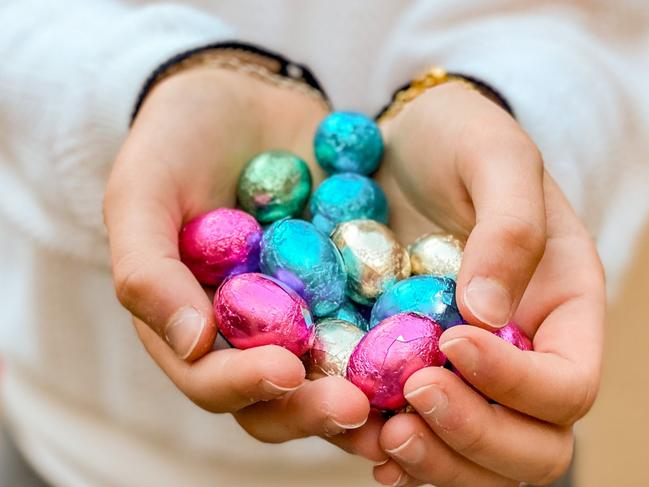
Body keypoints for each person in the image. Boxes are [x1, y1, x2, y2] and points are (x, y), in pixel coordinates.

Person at [0, 1, 645, 486]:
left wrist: (514, 135)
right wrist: (142, 83)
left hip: (478, 462)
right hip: (76, 447)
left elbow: (611, 29)